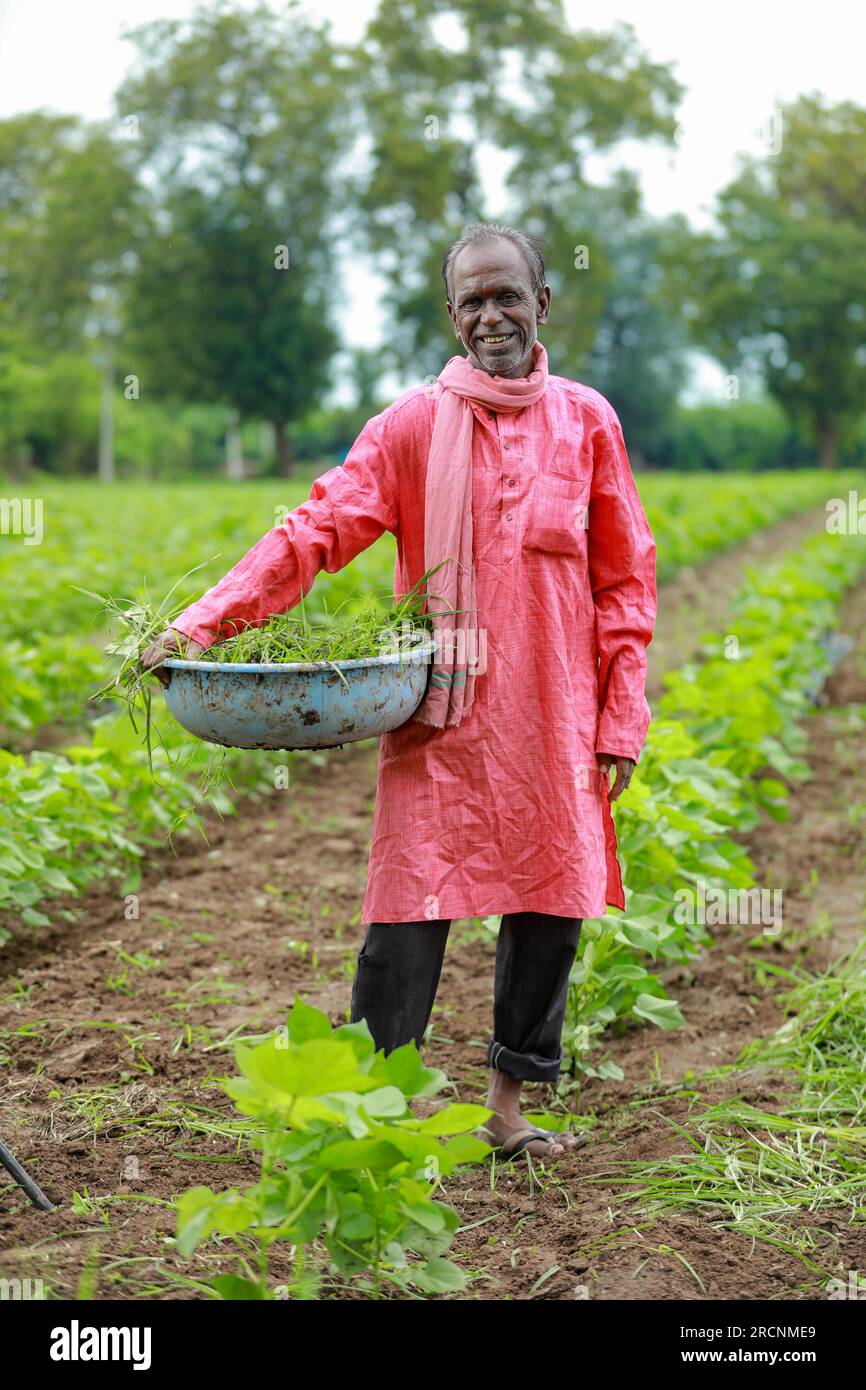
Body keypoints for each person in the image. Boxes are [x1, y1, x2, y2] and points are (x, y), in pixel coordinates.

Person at [141, 222, 657, 1162]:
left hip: (556, 715)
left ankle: (507, 1108)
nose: (491, 313)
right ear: (452, 316)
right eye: (473, 300)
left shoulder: (588, 420)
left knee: (550, 907)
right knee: (408, 912)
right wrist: (202, 624)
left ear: (542, 304)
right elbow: (317, 529)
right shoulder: (415, 426)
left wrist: (621, 713)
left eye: (508, 295)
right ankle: (377, 1110)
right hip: (442, 717)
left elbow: (625, 580)